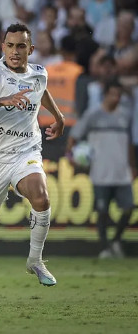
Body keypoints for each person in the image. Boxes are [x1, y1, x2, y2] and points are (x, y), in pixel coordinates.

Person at [0, 23, 65, 295]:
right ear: (2, 47)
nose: (15, 51)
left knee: (41, 197)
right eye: (10, 45)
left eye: (21, 46)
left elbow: (41, 91)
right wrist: (3, 100)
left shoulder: (40, 73)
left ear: (31, 49)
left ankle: (35, 261)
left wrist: (59, 117)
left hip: (26, 152)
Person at [66, 81, 136, 259]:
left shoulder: (125, 115)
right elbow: (74, 135)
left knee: (128, 208)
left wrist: (132, 165)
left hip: (121, 172)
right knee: (102, 212)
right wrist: (70, 157)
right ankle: (105, 248)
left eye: (119, 95)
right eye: (113, 94)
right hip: (100, 172)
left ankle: (116, 241)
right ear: (105, 95)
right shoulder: (93, 114)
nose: (116, 98)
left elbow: (128, 143)